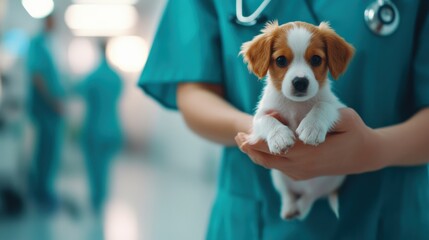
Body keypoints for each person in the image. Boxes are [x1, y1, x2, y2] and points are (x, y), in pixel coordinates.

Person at [139, 1, 429, 239]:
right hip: (251, 216)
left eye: (315, 60)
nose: (300, 75)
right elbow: (193, 92)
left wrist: (374, 149)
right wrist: (256, 131)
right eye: (282, 60)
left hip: (384, 216)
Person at [76, 40, 123, 214]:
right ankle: (102, 199)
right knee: (105, 167)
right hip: (112, 128)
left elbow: (78, 90)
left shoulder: (93, 77)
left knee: (95, 168)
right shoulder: (116, 77)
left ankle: (96, 200)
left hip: (94, 129)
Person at [26, 14, 65, 211]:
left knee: (50, 152)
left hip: (52, 111)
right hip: (46, 110)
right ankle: (41, 191)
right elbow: (37, 76)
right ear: (46, 22)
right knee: (45, 152)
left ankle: (44, 190)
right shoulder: (37, 44)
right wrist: (53, 101)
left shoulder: (49, 45)